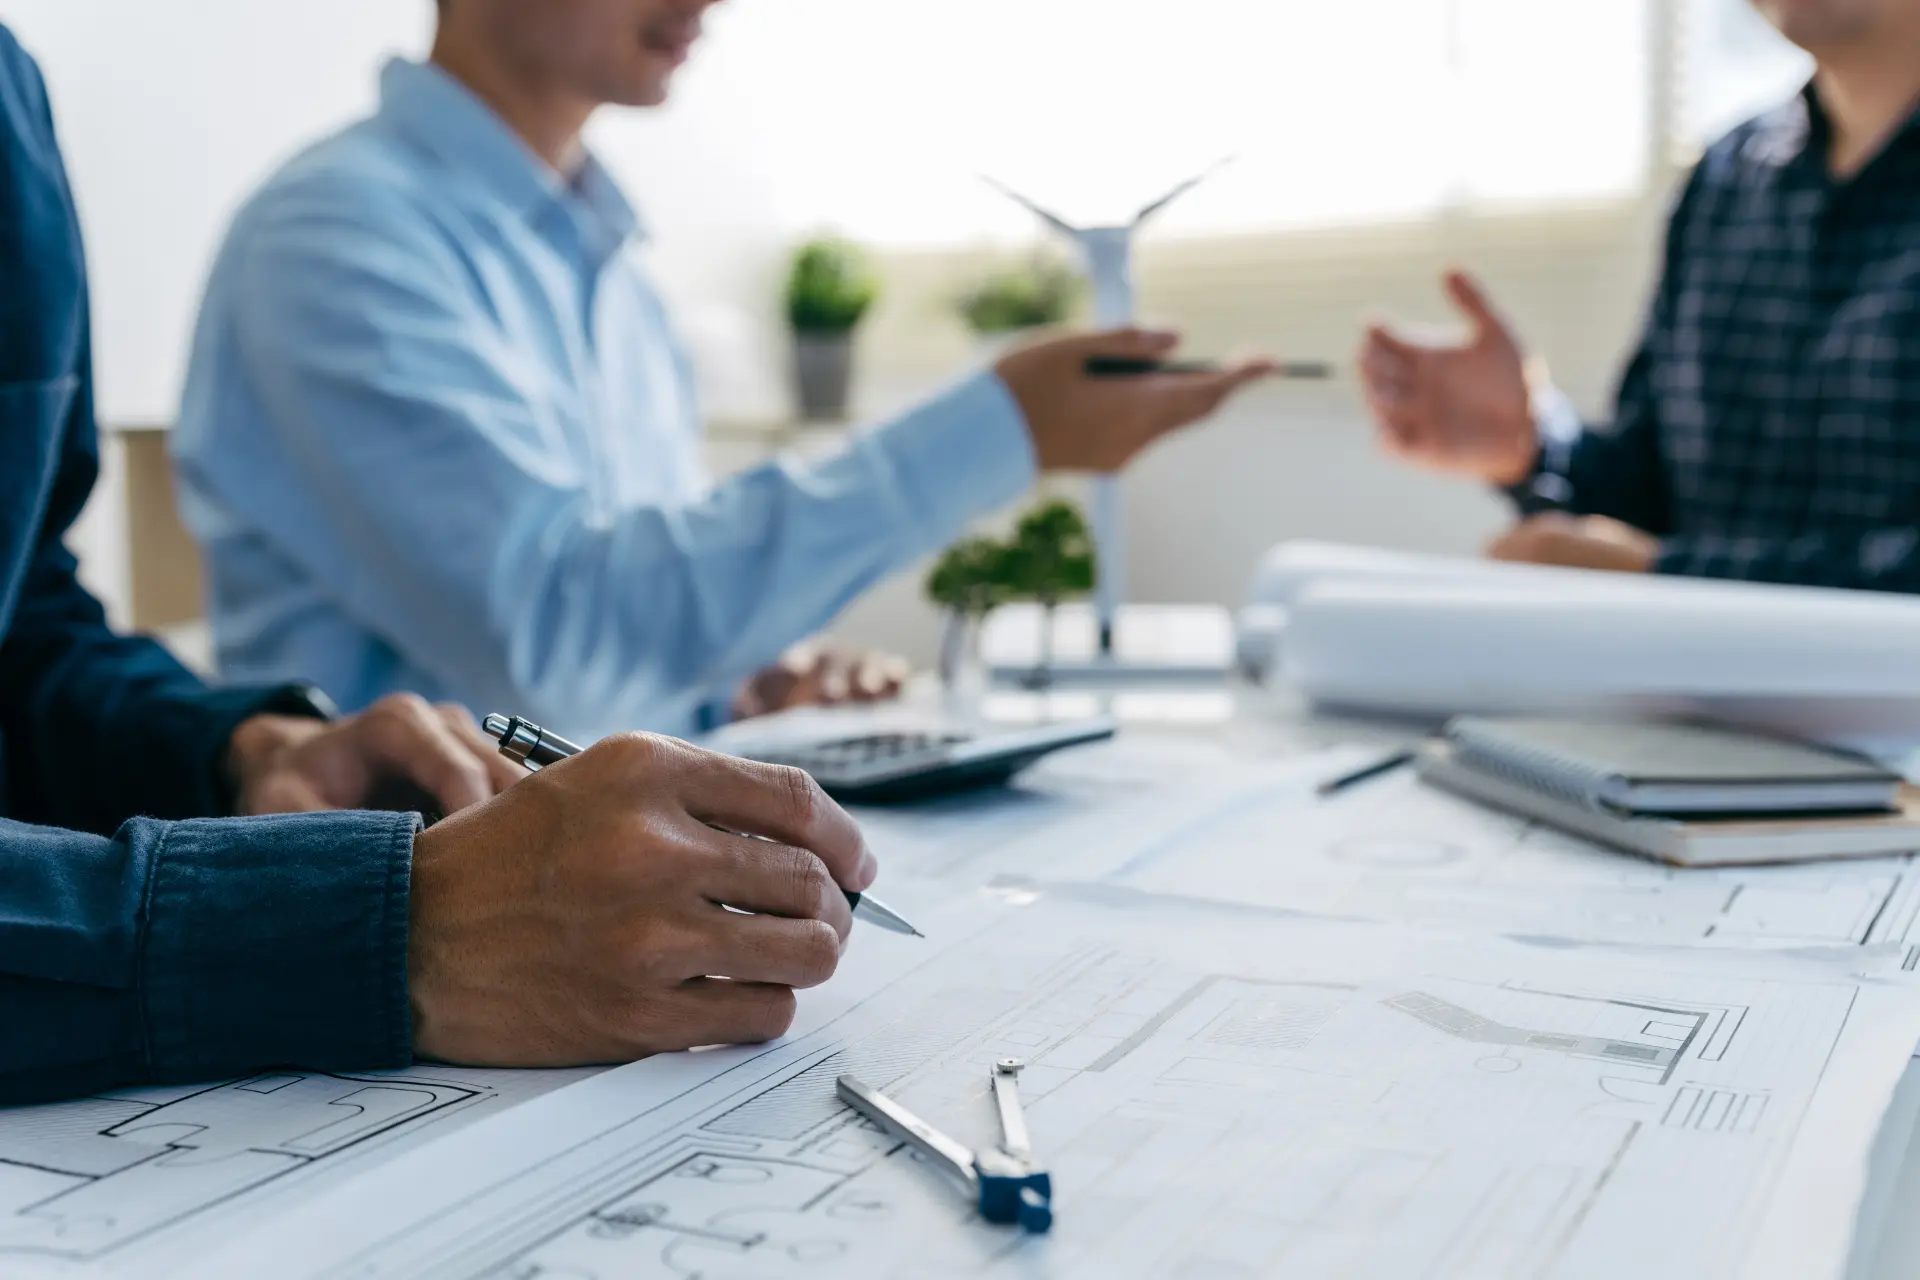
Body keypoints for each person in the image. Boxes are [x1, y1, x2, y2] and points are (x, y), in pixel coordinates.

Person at [1, 23, 884, 1106]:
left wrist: (230, 750)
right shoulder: (331, 228)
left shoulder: (11, 96)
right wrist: (371, 928)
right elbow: (557, 626)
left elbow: (22, 623)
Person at [170, 0, 1271, 743]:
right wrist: (1000, 433)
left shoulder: (628, 295)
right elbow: (556, 640)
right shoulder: (331, 235)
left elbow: (623, 630)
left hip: (604, 896)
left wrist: (731, 688)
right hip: (410, 932)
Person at [1359, 0, 1920, 591]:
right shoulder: (1725, 183)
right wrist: (1535, 446)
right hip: (1681, 655)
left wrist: (1664, 572)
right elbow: (1652, 500)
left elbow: (1652, 557)